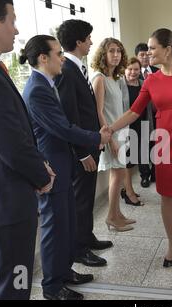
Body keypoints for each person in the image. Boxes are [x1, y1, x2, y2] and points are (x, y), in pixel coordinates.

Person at [109, 28, 172, 267]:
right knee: (166, 196)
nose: (148, 52)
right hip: (164, 142)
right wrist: (109, 129)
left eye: (153, 48)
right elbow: (134, 111)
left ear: (167, 49)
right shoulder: (152, 79)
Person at [21, 35, 111, 300]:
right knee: (54, 228)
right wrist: (97, 137)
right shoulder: (37, 88)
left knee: (67, 224)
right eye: (58, 53)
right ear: (43, 58)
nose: (63, 58)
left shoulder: (46, 85)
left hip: (62, 164)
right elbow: (62, 128)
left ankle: (64, 271)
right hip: (51, 169)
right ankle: (51, 286)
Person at [0, 0, 54, 300]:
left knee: (16, 280)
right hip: (5, 202)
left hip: (5, 196)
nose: (17, 29)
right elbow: (9, 142)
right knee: (15, 285)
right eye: (12, 20)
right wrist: (41, 175)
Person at [55, 19, 111, 268]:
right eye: (88, 38)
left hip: (90, 144)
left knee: (86, 198)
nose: (91, 42)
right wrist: (81, 153)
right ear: (78, 42)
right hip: (82, 151)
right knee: (81, 200)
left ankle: (86, 238)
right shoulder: (67, 70)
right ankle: (80, 249)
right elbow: (69, 117)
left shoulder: (78, 68)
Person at [91, 38, 136, 232]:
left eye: (118, 51)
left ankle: (117, 214)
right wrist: (109, 140)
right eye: (111, 51)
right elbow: (99, 111)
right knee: (117, 176)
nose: (116, 55)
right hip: (110, 135)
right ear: (103, 54)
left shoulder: (113, 78)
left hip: (118, 132)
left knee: (118, 175)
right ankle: (111, 217)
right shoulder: (99, 78)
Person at [121, 57, 146, 206]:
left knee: (133, 161)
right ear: (125, 69)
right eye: (130, 69)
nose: (133, 72)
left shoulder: (143, 84)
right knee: (127, 162)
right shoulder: (120, 84)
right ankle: (129, 193)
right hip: (125, 128)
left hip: (141, 126)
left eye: (136, 69)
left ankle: (127, 189)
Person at [135, 42, 157, 187]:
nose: (145, 57)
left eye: (147, 54)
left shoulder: (158, 71)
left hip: (156, 115)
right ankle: (145, 175)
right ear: (137, 56)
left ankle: (156, 173)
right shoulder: (133, 72)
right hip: (140, 115)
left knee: (156, 145)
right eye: (141, 55)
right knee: (142, 148)